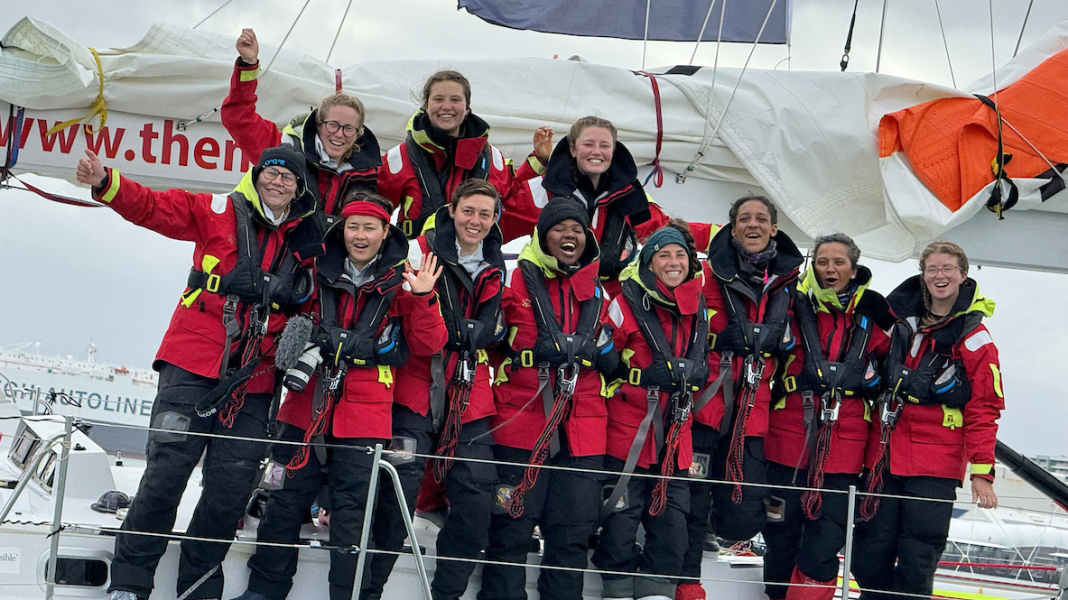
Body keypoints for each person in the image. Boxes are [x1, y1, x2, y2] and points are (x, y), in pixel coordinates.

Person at [76, 145, 321, 600]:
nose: (278, 182)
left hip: (256, 380)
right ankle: (129, 583)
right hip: (193, 364)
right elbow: (155, 208)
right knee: (165, 477)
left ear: (299, 187)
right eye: (271, 172)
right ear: (257, 175)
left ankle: (200, 588)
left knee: (229, 492)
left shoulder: (308, 242)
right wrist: (106, 181)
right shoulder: (218, 211)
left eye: (288, 177)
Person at [229, 192, 447, 600]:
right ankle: (263, 592)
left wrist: (423, 298)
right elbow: (283, 324)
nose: (360, 235)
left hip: (365, 416)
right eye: (353, 226)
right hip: (303, 406)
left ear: (386, 232)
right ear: (340, 230)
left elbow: (430, 344)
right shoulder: (314, 271)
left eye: (370, 227)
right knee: (283, 502)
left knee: (352, 520)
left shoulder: (404, 285)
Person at [479, 198, 618, 600]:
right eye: (559, 228)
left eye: (577, 229)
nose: (569, 235)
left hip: (583, 431)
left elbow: (617, 356)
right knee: (510, 531)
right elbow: (490, 342)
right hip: (521, 425)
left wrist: (600, 354)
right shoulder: (511, 280)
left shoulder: (601, 293)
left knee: (572, 537)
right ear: (542, 235)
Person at [851, 241, 1003, 600]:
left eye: (948, 268)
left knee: (918, 561)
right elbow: (862, 355)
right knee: (869, 553)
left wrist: (982, 473)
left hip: (935, 467)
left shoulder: (976, 339)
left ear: (963, 275)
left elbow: (985, 407)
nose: (940, 275)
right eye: (932, 269)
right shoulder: (899, 324)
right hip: (883, 459)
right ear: (922, 275)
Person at [677, 195, 803, 600]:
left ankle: (722, 529)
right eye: (744, 218)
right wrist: (719, 334)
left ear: (774, 229)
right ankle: (686, 582)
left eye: (761, 219)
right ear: (732, 230)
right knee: (690, 502)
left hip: (753, 412)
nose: (753, 225)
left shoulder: (789, 282)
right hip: (705, 407)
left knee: (744, 512)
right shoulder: (705, 274)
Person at [760, 234, 893, 600]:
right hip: (787, 443)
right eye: (822, 261)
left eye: (838, 262)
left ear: (854, 267)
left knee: (824, 541)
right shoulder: (789, 306)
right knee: (780, 535)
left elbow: (890, 379)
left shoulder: (878, 317)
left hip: (844, 451)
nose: (830, 269)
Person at [395, 179, 508, 600]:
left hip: (472, 388)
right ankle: (369, 588)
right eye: (469, 211)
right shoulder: (417, 250)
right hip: (418, 382)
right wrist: (436, 312)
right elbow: (418, 332)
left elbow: (500, 327)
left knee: (477, 500)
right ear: (452, 209)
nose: (475, 221)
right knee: (398, 491)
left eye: (485, 214)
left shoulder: (498, 262)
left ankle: (447, 594)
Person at [594, 222, 710, 600]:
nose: (673, 261)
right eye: (664, 254)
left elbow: (704, 361)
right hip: (629, 430)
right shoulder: (626, 302)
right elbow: (604, 353)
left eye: (680, 254)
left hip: (676, 435)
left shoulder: (700, 310)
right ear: (650, 262)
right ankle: (617, 590)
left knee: (673, 528)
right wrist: (638, 374)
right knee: (619, 525)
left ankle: (656, 591)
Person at [535, 116, 717, 298]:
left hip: (608, 292)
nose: (596, 152)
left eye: (605, 145)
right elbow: (511, 212)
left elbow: (663, 231)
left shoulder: (629, 194)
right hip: (552, 290)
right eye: (588, 144)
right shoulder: (548, 189)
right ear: (573, 149)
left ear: (613, 150)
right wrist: (539, 163)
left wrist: (719, 236)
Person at [376, 69, 552, 242]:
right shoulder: (398, 158)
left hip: (474, 262)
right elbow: (373, 211)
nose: (446, 106)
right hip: (416, 261)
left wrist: (539, 160)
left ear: (467, 108)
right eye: (438, 99)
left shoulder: (490, 156)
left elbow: (512, 196)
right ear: (426, 106)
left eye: (455, 99)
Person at [223, 28, 382, 218]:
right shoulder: (282, 147)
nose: (339, 134)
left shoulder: (371, 172)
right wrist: (248, 65)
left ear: (359, 133)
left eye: (348, 128)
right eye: (332, 125)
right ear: (319, 124)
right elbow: (237, 116)